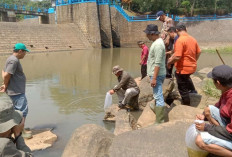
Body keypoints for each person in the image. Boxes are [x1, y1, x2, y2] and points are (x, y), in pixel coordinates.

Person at [195, 65, 232, 157]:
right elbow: (218, 106)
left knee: (200, 140)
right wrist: (204, 115)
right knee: (208, 110)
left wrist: (207, 128)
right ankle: (219, 134)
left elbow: (230, 132)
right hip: (228, 125)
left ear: (218, 83)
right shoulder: (227, 91)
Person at [0, 43, 32, 139]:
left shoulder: (10, 59)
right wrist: (5, 84)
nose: (25, 54)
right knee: (22, 112)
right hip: (17, 92)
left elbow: (3, 71)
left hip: (14, 91)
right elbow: (6, 75)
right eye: (25, 52)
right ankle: (20, 133)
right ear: (20, 51)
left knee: (14, 112)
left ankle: (16, 130)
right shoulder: (14, 60)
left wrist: (5, 84)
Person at [167, 23, 201, 105]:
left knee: (182, 89)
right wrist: (194, 61)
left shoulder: (180, 40)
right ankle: (192, 92)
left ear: (177, 30)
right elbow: (199, 52)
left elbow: (178, 56)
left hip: (183, 69)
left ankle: (186, 105)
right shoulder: (193, 39)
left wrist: (169, 62)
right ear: (186, 29)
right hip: (192, 67)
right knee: (185, 79)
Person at [144, 24, 166, 124]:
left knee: (158, 96)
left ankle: (160, 120)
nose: (146, 36)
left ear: (152, 34)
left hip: (157, 74)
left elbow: (157, 63)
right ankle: (158, 110)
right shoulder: (157, 42)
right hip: (156, 74)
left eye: (147, 34)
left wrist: (154, 78)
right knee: (157, 94)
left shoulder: (158, 45)